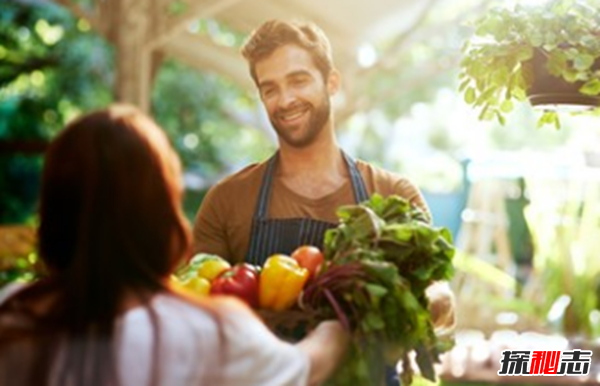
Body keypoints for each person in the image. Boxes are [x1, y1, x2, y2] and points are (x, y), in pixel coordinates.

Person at [0, 105, 348, 386]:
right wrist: (340, 319)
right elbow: (307, 367)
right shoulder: (209, 333)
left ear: (52, 212)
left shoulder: (12, 312)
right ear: (161, 214)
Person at [192, 19, 455, 385]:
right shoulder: (228, 199)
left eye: (298, 80)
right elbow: (195, 316)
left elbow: (440, 294)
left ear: (332, 82)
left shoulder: (393, 195)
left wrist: (419, 303)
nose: (285, 100)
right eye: (270, 89)